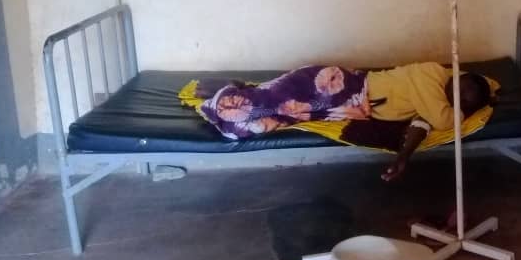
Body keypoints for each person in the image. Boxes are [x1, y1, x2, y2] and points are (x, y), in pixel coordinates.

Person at [196, 62, 491, 182]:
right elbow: (445, 121)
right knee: (271, 100)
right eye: (462, 89)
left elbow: (425, 123)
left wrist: (403, 157)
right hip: (343, 85)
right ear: (458, 75)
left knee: (275, 117)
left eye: (465, 101)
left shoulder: (433, 101)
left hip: (345, 107)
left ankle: (233, 98)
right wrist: (463, 112)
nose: (459, 97)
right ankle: (224, 98)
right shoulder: (431, 76)